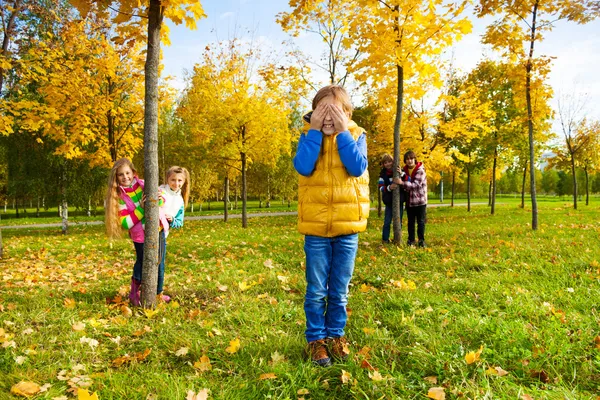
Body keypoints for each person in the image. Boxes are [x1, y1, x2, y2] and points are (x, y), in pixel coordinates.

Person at [293, 85, 369, 367]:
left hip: (347, 228)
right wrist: (314, 132)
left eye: (334, 111)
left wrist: (343, 133)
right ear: (312, 114)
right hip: (315, 230)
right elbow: (303, 166)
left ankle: (336, 335)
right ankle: (316, 340)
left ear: (347, 114)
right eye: (321, 111)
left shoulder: (357, 136)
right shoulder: (306, 136)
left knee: (339, 290)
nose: (327, 117)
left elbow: (357, 167)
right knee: (316, 290)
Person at [104, 158, 169, 306]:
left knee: (160, 263)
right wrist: (141, 208)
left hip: (157, 229)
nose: (125, 177)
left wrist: (158, 199)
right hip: (140, 236)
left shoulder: (144, 184)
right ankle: (134, 292)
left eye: (128, 173)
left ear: (133, 172)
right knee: (143, 263)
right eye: (121, 175)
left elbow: (161, 201)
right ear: (116, 177)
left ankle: (158, 293)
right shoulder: (119, 197)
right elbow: (126, 222)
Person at [158, 166, 191, 302]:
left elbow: (179, 222)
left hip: (162, 234)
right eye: (173, 180)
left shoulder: (180, 201)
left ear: (184, 182)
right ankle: (139, 288)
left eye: (179, 181)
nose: (176, 184)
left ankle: (158, 292)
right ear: (167, 179)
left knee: (160, 264)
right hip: (147, 231)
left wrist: (172, 220)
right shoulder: (160, 191)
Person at [395, 150, 427, 247]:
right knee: (410, 223)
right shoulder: (404, 170)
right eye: (407, 159)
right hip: (410, 202)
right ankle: (411, 241)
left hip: (420, 201)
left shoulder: (420, 170)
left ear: (415, 159)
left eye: (411, 158)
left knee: (421, 222)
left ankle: (421, 241)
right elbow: (408, 178)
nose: (409, 161)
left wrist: (402, 183)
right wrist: (402, 174)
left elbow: (415, 185)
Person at [378, 153, 405, 244]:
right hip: (389, 202)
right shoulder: (383, 174)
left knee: (398, 222)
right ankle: (385, 239)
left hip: (399, 201)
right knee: (387, 222)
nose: (388, 164)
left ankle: (397, 239)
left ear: (393, 162)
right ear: (383, 164)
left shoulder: (398, 171)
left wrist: (401, 173)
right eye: (385, 162)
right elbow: (380, 187)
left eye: (390, 161)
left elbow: (406, 180)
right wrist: (389, 188)